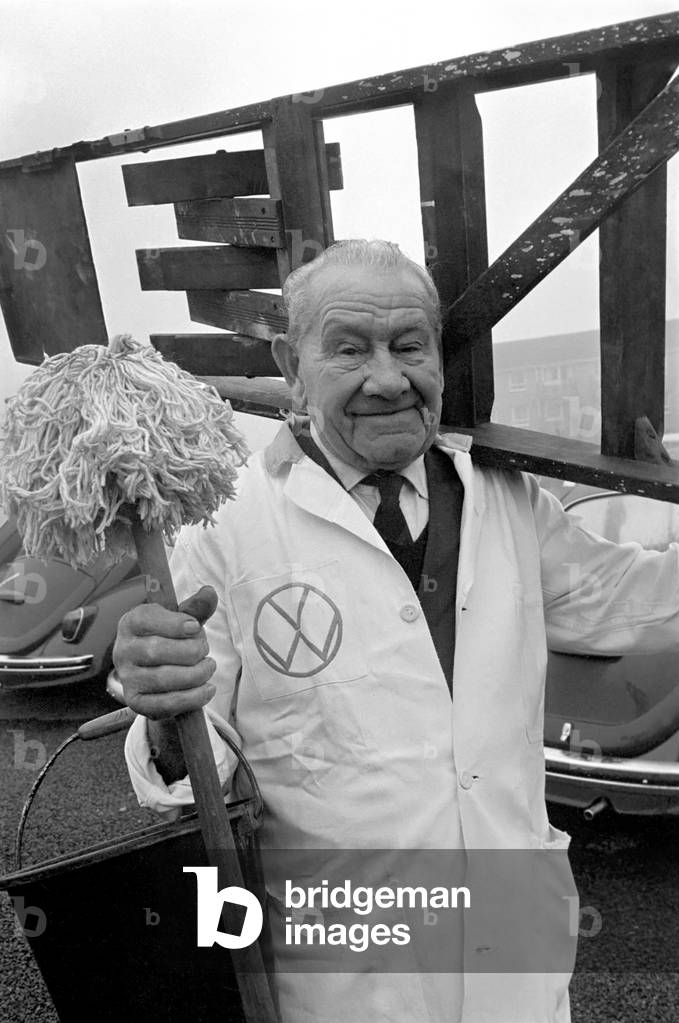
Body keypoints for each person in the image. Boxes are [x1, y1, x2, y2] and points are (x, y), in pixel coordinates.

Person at [115, 239, 679, 1023]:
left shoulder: (504, 497)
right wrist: (163, 709)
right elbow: (191, 761)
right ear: (290, 360)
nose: (387, 377)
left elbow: (634, 599)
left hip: (514, 951)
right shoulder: (226, 526)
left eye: (408, 344)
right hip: (348, 975)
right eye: (348, 348)